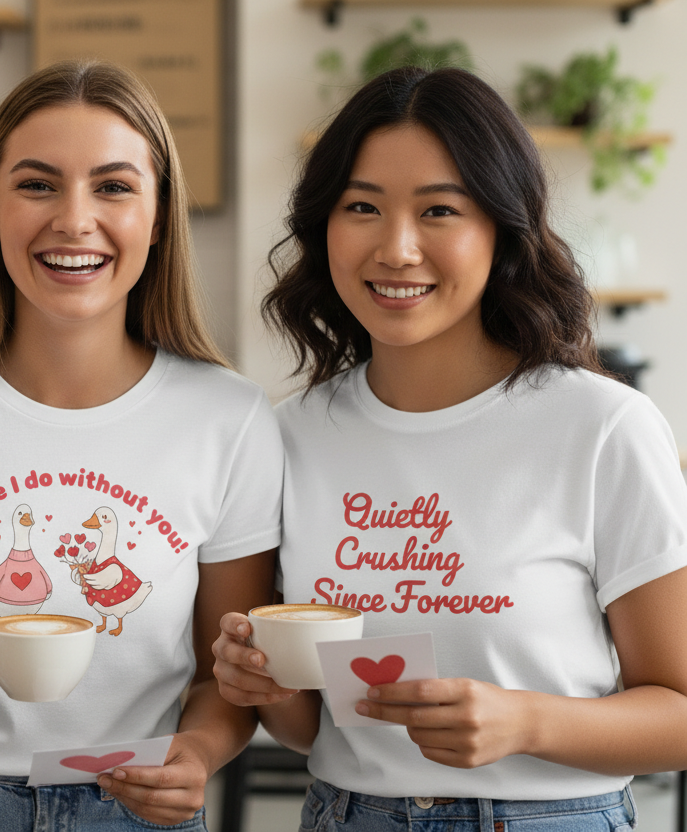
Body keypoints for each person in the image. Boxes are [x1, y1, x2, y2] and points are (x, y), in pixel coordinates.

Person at [212, 66, 687, 831]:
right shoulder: (288, 435)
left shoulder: (603, 428)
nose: (397, 248)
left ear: (501, 230)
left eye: (439, 210)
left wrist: (526, 722)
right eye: (362, 206)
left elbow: (680, 714)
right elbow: (316, 729)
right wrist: (267, 689)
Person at [0, 60, 283, 830]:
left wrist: (194, 755)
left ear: (160, 214)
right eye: (37, 185)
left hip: (137, 812)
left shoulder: (228, 418)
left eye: (113, 186)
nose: (74, 219)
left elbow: (221, 681)